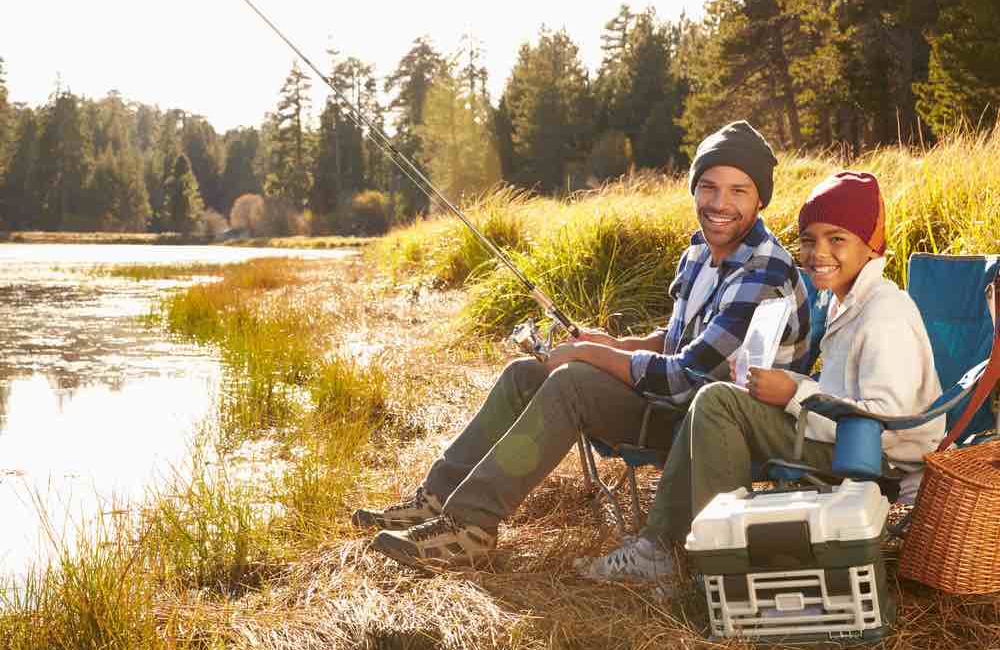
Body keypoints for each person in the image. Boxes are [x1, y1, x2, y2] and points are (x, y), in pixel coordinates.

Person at [353, 121, 812, 568]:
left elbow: (683, 378)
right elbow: (673, 340)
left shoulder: (763, 271)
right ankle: (434, 501)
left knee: (572, 381)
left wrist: (590, 354)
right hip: (674, 406)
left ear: (760, 199)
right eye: (709, 187)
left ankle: (467, 529)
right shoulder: (698, 253)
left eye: (738, 191)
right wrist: (612, 342)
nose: (719, 203)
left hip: (709, 429)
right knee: (525, 374)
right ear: (694, 188)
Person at [581, 171, 945, 582]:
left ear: (871, 245)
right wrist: (779, 386)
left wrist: (794, 392)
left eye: (837, 239)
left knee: (719, 402)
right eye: (808, 240)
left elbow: (887, 422)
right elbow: (844, 395)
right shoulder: (847, 301)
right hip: (840, 436)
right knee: (720, 398)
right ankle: (669, 547)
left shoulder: (883, 314)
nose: (818, 252)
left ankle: (716, 564)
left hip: (876, 459)